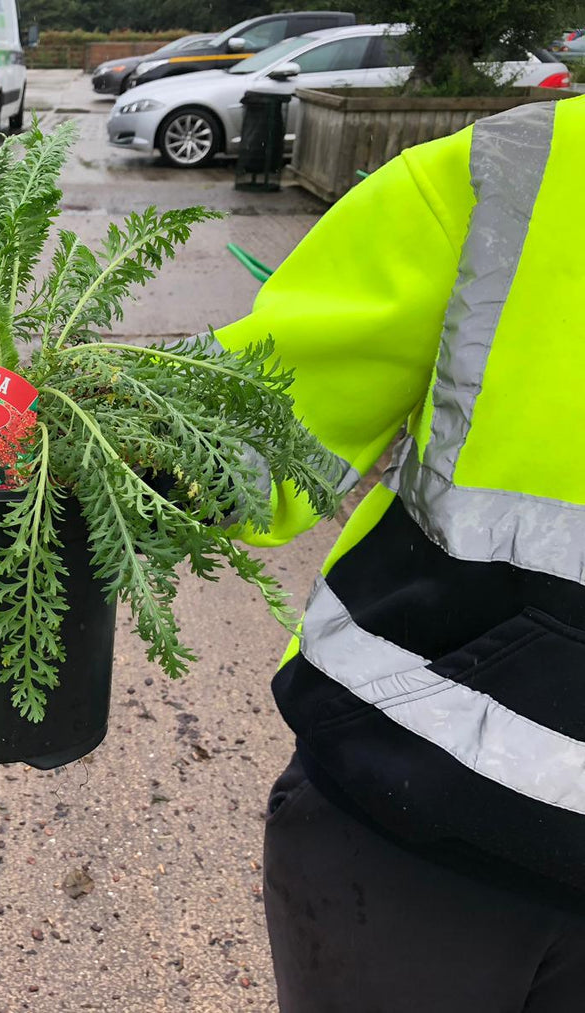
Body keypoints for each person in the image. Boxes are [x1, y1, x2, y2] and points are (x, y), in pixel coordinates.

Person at [214, 93, 585, 1012]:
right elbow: (242, 441)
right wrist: (34, 440)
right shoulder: (516, 173)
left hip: (410, 838)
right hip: (425, 832)